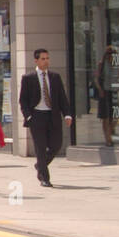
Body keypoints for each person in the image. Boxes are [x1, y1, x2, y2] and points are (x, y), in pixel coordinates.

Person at [19, 48, 73, 188]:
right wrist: (28, 117)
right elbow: (23, 100)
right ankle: (44, 177)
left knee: (56, 145)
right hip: (37, 116)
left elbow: (62, 97)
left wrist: (67, 114)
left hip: (52, 115)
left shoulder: (55, 77)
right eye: (43, 59)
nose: (46, 61)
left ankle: (40, 165)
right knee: (40, 148)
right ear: (36, 61)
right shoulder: (28, 78)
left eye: (47, 58)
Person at [94, 46, 117, 146]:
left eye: (113, 54)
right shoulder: (102, 64)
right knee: (105, 117)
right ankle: (108, 139)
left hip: (114, 91)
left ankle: (111, 131)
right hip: (105, 91)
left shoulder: (116, 65)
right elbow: (96, 78)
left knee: (115, 116)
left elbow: (118, 79)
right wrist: (100, 89)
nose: (111, 56)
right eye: (109, 53)